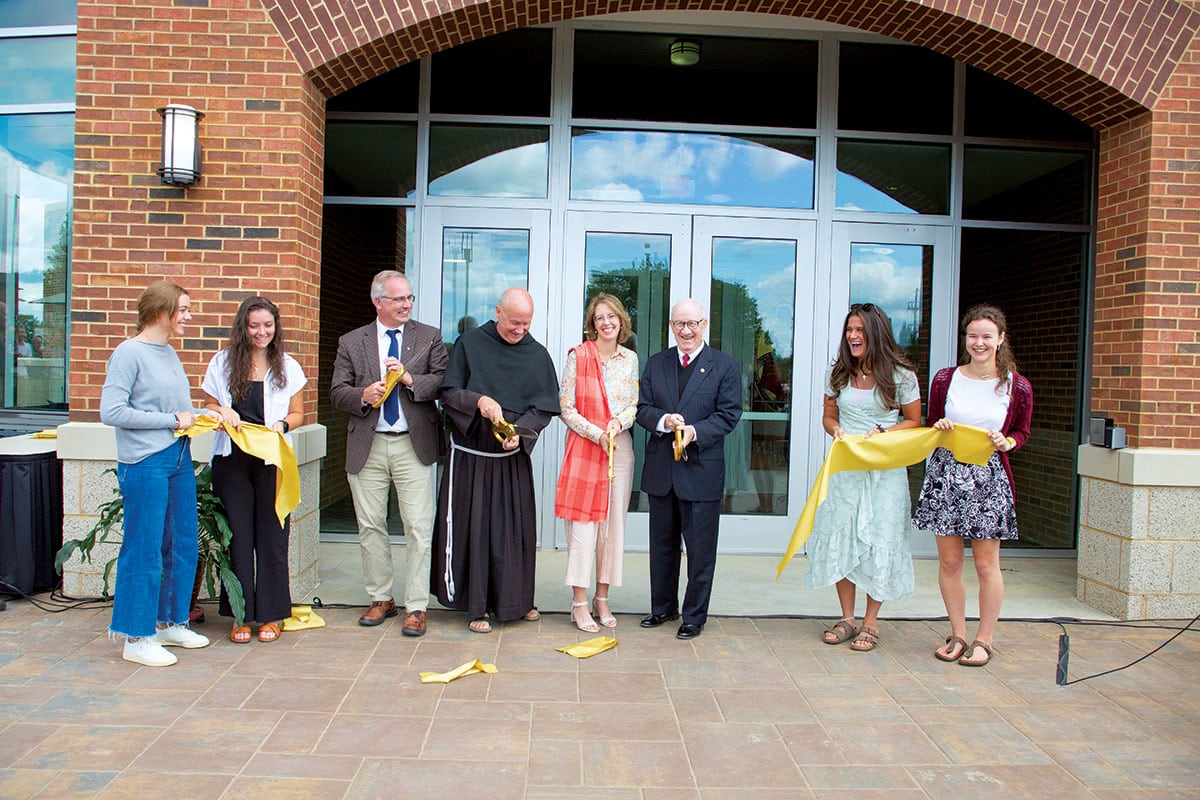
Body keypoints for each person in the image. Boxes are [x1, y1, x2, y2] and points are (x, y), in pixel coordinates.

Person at [432, 287, 560, 633]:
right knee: (475, 529)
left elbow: (545, 408)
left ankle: (515, 602)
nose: (520, 330)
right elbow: (449, 393)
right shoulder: (470, 344)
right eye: (514, 322)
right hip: (472, 459)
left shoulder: (537, 354)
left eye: (526, 324)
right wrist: (478, 401)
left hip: (511, 457)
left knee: (513, 531)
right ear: (498, 312)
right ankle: (476, 607)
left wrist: (522, 432)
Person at [913, 304, 1033, 668]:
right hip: (946, 476)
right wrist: (940, 427)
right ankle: (958, 633)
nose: (979, 343)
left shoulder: (1017, 386)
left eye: (986, 336)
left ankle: (984, 639)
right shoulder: (945, 379)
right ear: (965, 339)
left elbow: (1021, 432)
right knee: (949, 562)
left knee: (985, 565)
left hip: (987, 478)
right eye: (972, 336)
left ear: (1000, 340)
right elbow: (931, 423)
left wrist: (1007, 443)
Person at [99, 280, 211, 667]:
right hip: (145, 462)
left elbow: (175, 411)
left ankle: (170, 623)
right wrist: (170, 420)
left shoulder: (168, 352)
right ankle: (136, 636)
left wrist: (201, 417)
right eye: (183, 310)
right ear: (161, 312)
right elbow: (111, 411)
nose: (188, 317)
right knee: (144, 548)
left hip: (177, 457)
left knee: (181, 542)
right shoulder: (129, 353)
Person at [330, 271, 448, 636]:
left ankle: (416, 605)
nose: (407, 305)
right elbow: (336, 392)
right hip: (369, 442)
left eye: (409, 298)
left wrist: (411, 380)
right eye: (399, 299)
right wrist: (362, 396)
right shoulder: (352, 341)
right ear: (378, 302)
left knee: (417, 526)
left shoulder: (428, 337)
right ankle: (381, 597)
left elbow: (444, 380)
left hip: (413, 444)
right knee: (370, 526)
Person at [806, 303, 921, 653]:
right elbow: (828, 413)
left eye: (860, 330)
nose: (853, 336)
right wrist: (835, 428)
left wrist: (885, 431)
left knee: (878, 539)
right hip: (845, 466)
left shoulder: (901, 375)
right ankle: (847, 618)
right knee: (841, 535)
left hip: (884, 470)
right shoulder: (838, 371)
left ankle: (871, 622)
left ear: (876, 333)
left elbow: (915, 420)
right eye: (849, 330)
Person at [202, 296, 307, 644]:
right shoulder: (222, 362)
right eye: (254, 325)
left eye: (268, 325)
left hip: (272, 461)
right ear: (242, 327)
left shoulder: (288, 366)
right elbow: (209, 404)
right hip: (232, 460)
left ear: (276, 327)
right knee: (239, 538)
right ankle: (240, 615)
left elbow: (298, 413)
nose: (261, 332)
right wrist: (221, 412)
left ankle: (272, 614)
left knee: (273, 538)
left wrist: (282, 425)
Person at [636, 298, 742, 640]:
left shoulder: (724, 366)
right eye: (680, 324)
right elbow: (642, 408)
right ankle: (662, 607)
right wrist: (664, 421)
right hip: (662, 472)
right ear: (671, 326)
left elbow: (729, 414)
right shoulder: (656, 363)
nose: (686, 330)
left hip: (701, 470)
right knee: (662, 547)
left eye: (692, 324)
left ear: (704, 325)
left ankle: (694, 616)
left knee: (699, 552)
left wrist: (695, 431)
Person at [554, 293, 638, 632]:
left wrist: (618, 424)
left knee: (611, 528)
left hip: (620, 450)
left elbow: (633, 404)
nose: (606, 323)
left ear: (621, 321)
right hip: (587, 448)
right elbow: (566, 407)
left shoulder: (630, 359)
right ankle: (578, 602)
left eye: (612, 316)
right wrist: (596, 433)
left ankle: (602, 598)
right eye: (600, 317)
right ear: (593, 323)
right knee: (583, 530)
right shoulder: (579, 357)